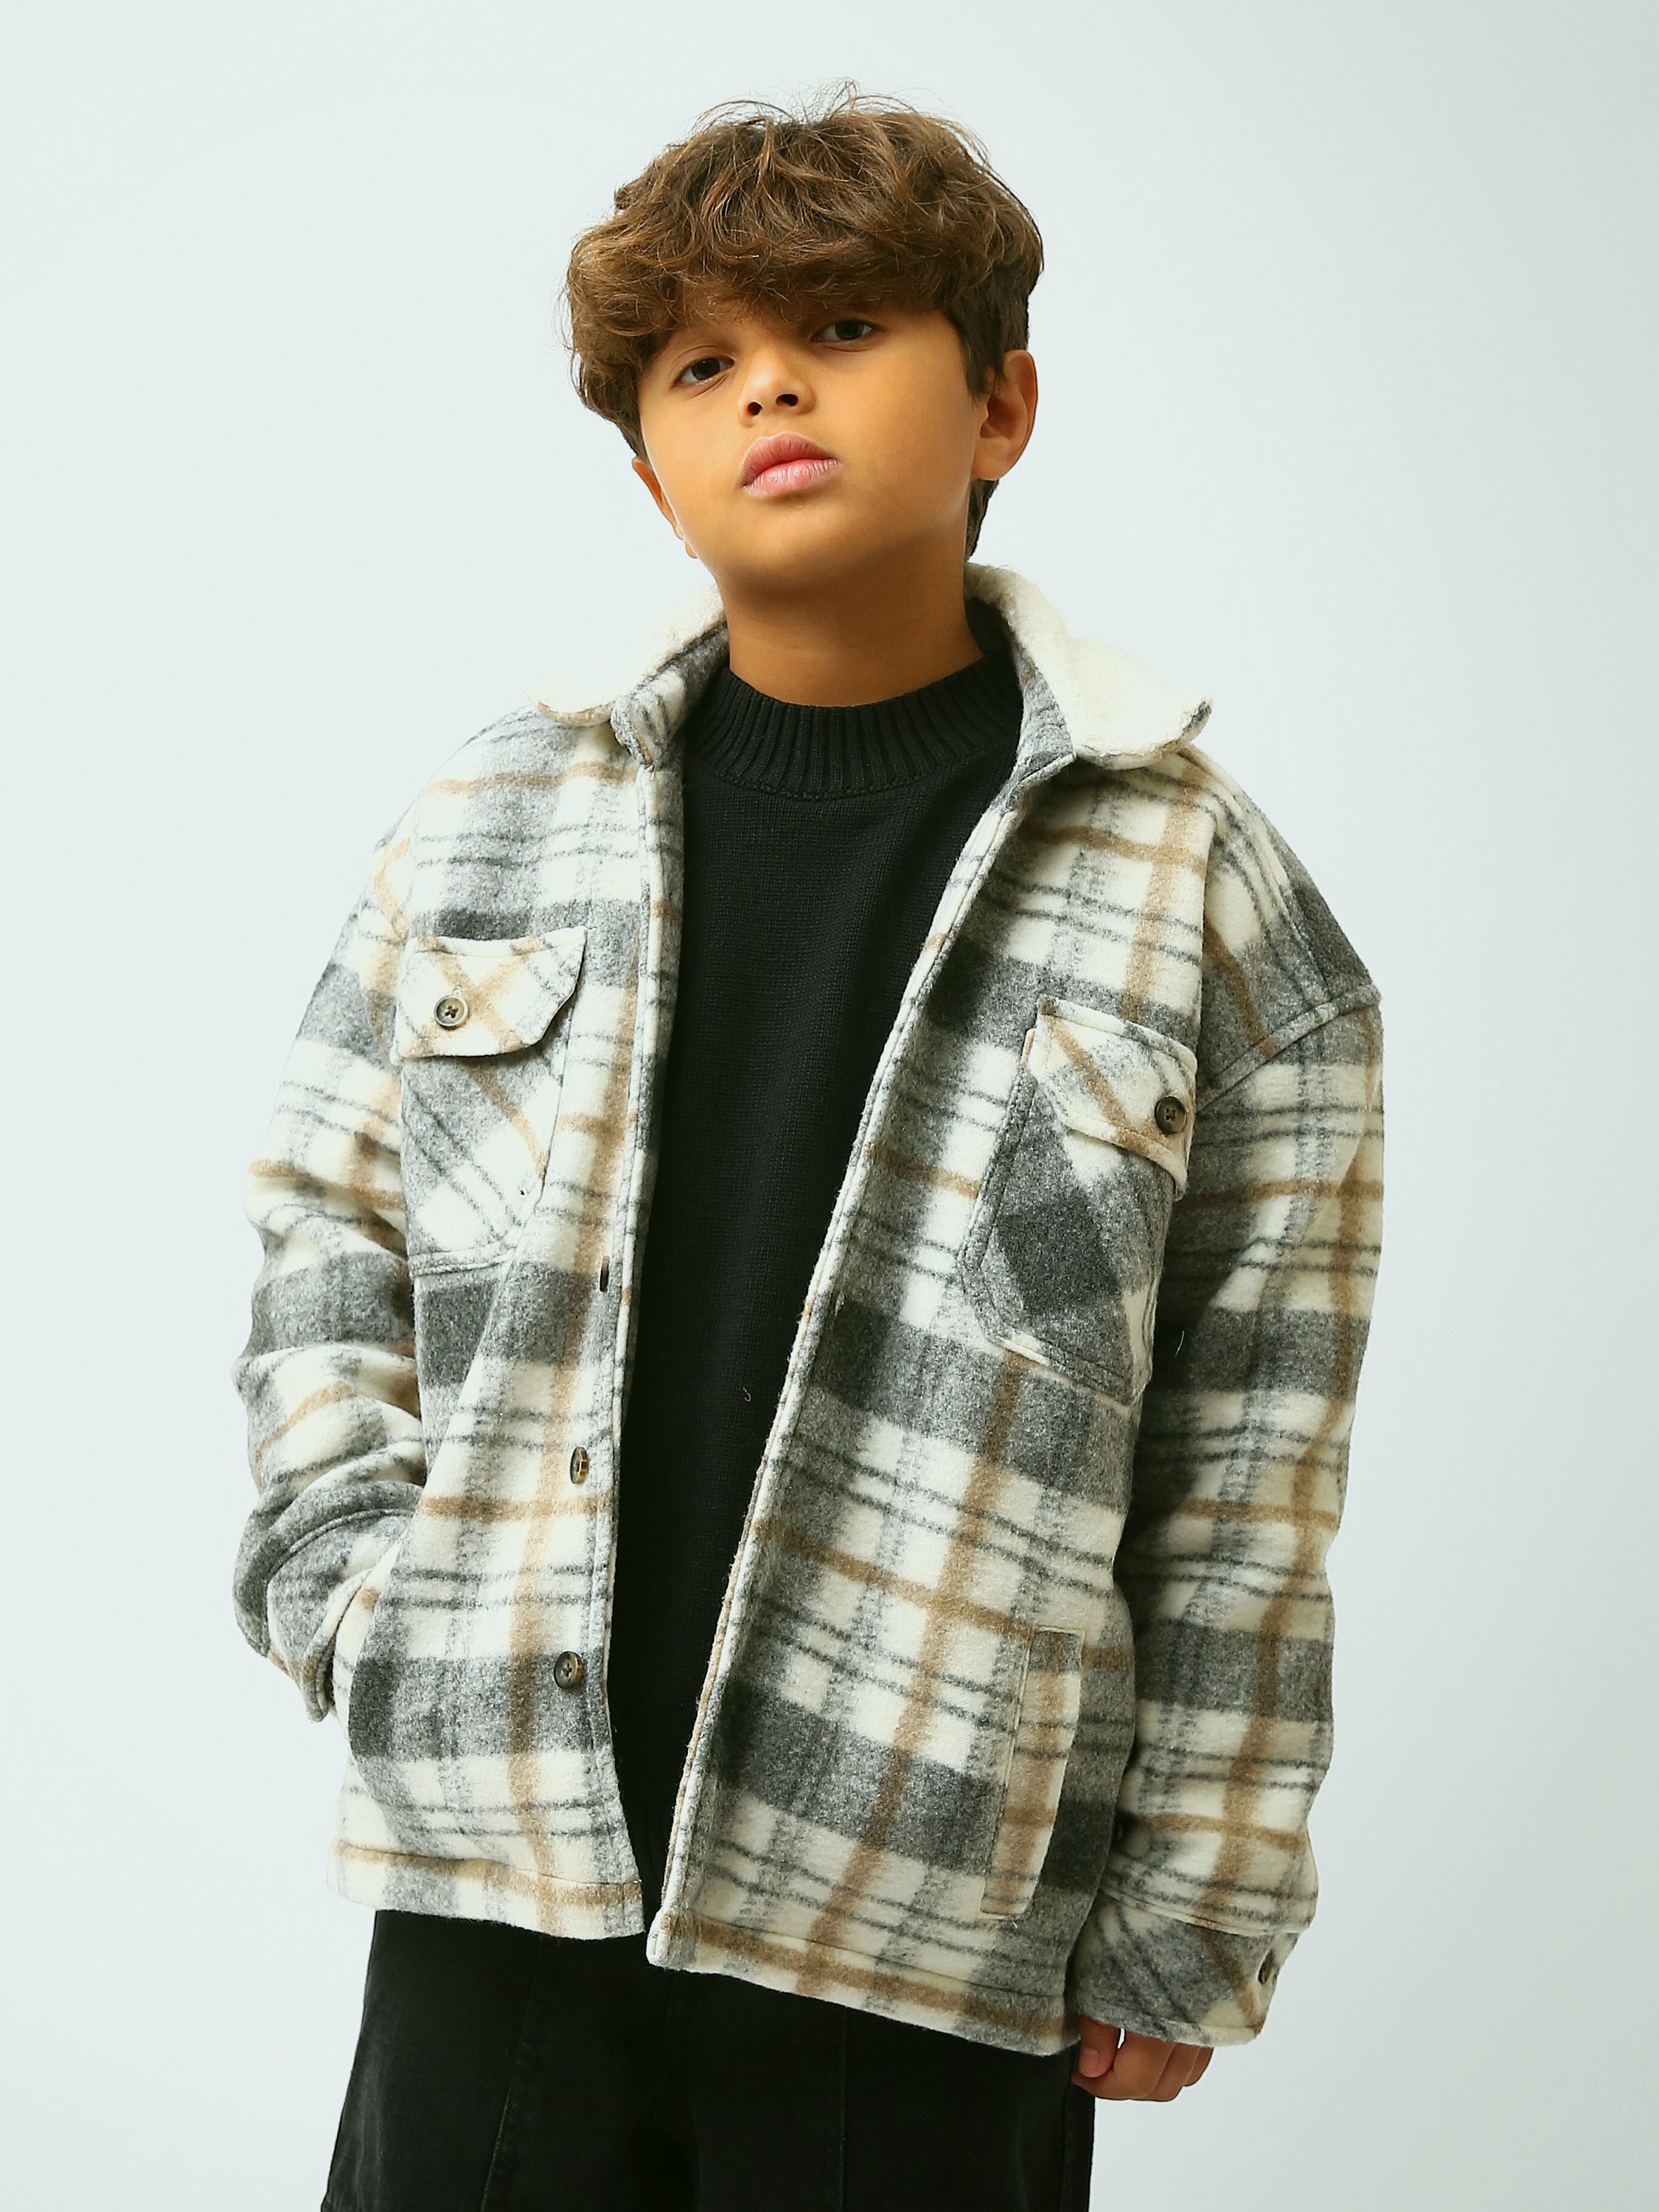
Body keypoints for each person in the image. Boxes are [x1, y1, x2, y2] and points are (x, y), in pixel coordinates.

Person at [232, 88, 1385, 2212]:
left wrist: (1200, 1883)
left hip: (927, 1898)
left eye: (842, 328)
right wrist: (353, 1589)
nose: (769, 386)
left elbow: (1253, 1443)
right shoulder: (482, 827)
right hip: (505, 1866)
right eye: (701, 364)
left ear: (1000, 403)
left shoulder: (1205, 897)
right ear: (650, 471)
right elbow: (326, 1224)